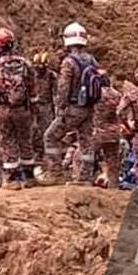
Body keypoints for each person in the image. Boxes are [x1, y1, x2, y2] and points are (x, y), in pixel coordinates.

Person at [42, 22, 98, 185]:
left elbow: (63, 88)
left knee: (50, 137)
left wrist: (60, 109)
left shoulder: (69, 62)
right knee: (86, 142)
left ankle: (56, 174)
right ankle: (85, 178)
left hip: (73, 108)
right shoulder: (92, 60)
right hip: (89, 107)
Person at [0, 28, 36, 189]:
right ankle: (29, 177)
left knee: (6, 140)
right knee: (25, 140)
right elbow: (33, 89)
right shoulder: (26, 64)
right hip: (23, 109)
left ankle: (12, 179)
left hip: (3, 110)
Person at [91, 78, 124, 188]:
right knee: (113, 162)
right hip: (114, 133)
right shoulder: (118, 95)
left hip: (98, 132)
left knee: (81, 156)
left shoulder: (95, 93)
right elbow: (122, 112)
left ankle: (82, 180)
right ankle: (114, 186)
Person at [31, 51, 57, 158]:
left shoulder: (52, 76)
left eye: (41, 67)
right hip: (33, 106)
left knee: (47, 129)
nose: (39, 69)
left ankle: (49, 154)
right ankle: (37, 152)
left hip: (46, 105)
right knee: (34, 130)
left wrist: (56, 108)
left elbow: (56, 93)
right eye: (37, 67)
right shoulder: (32, 75)